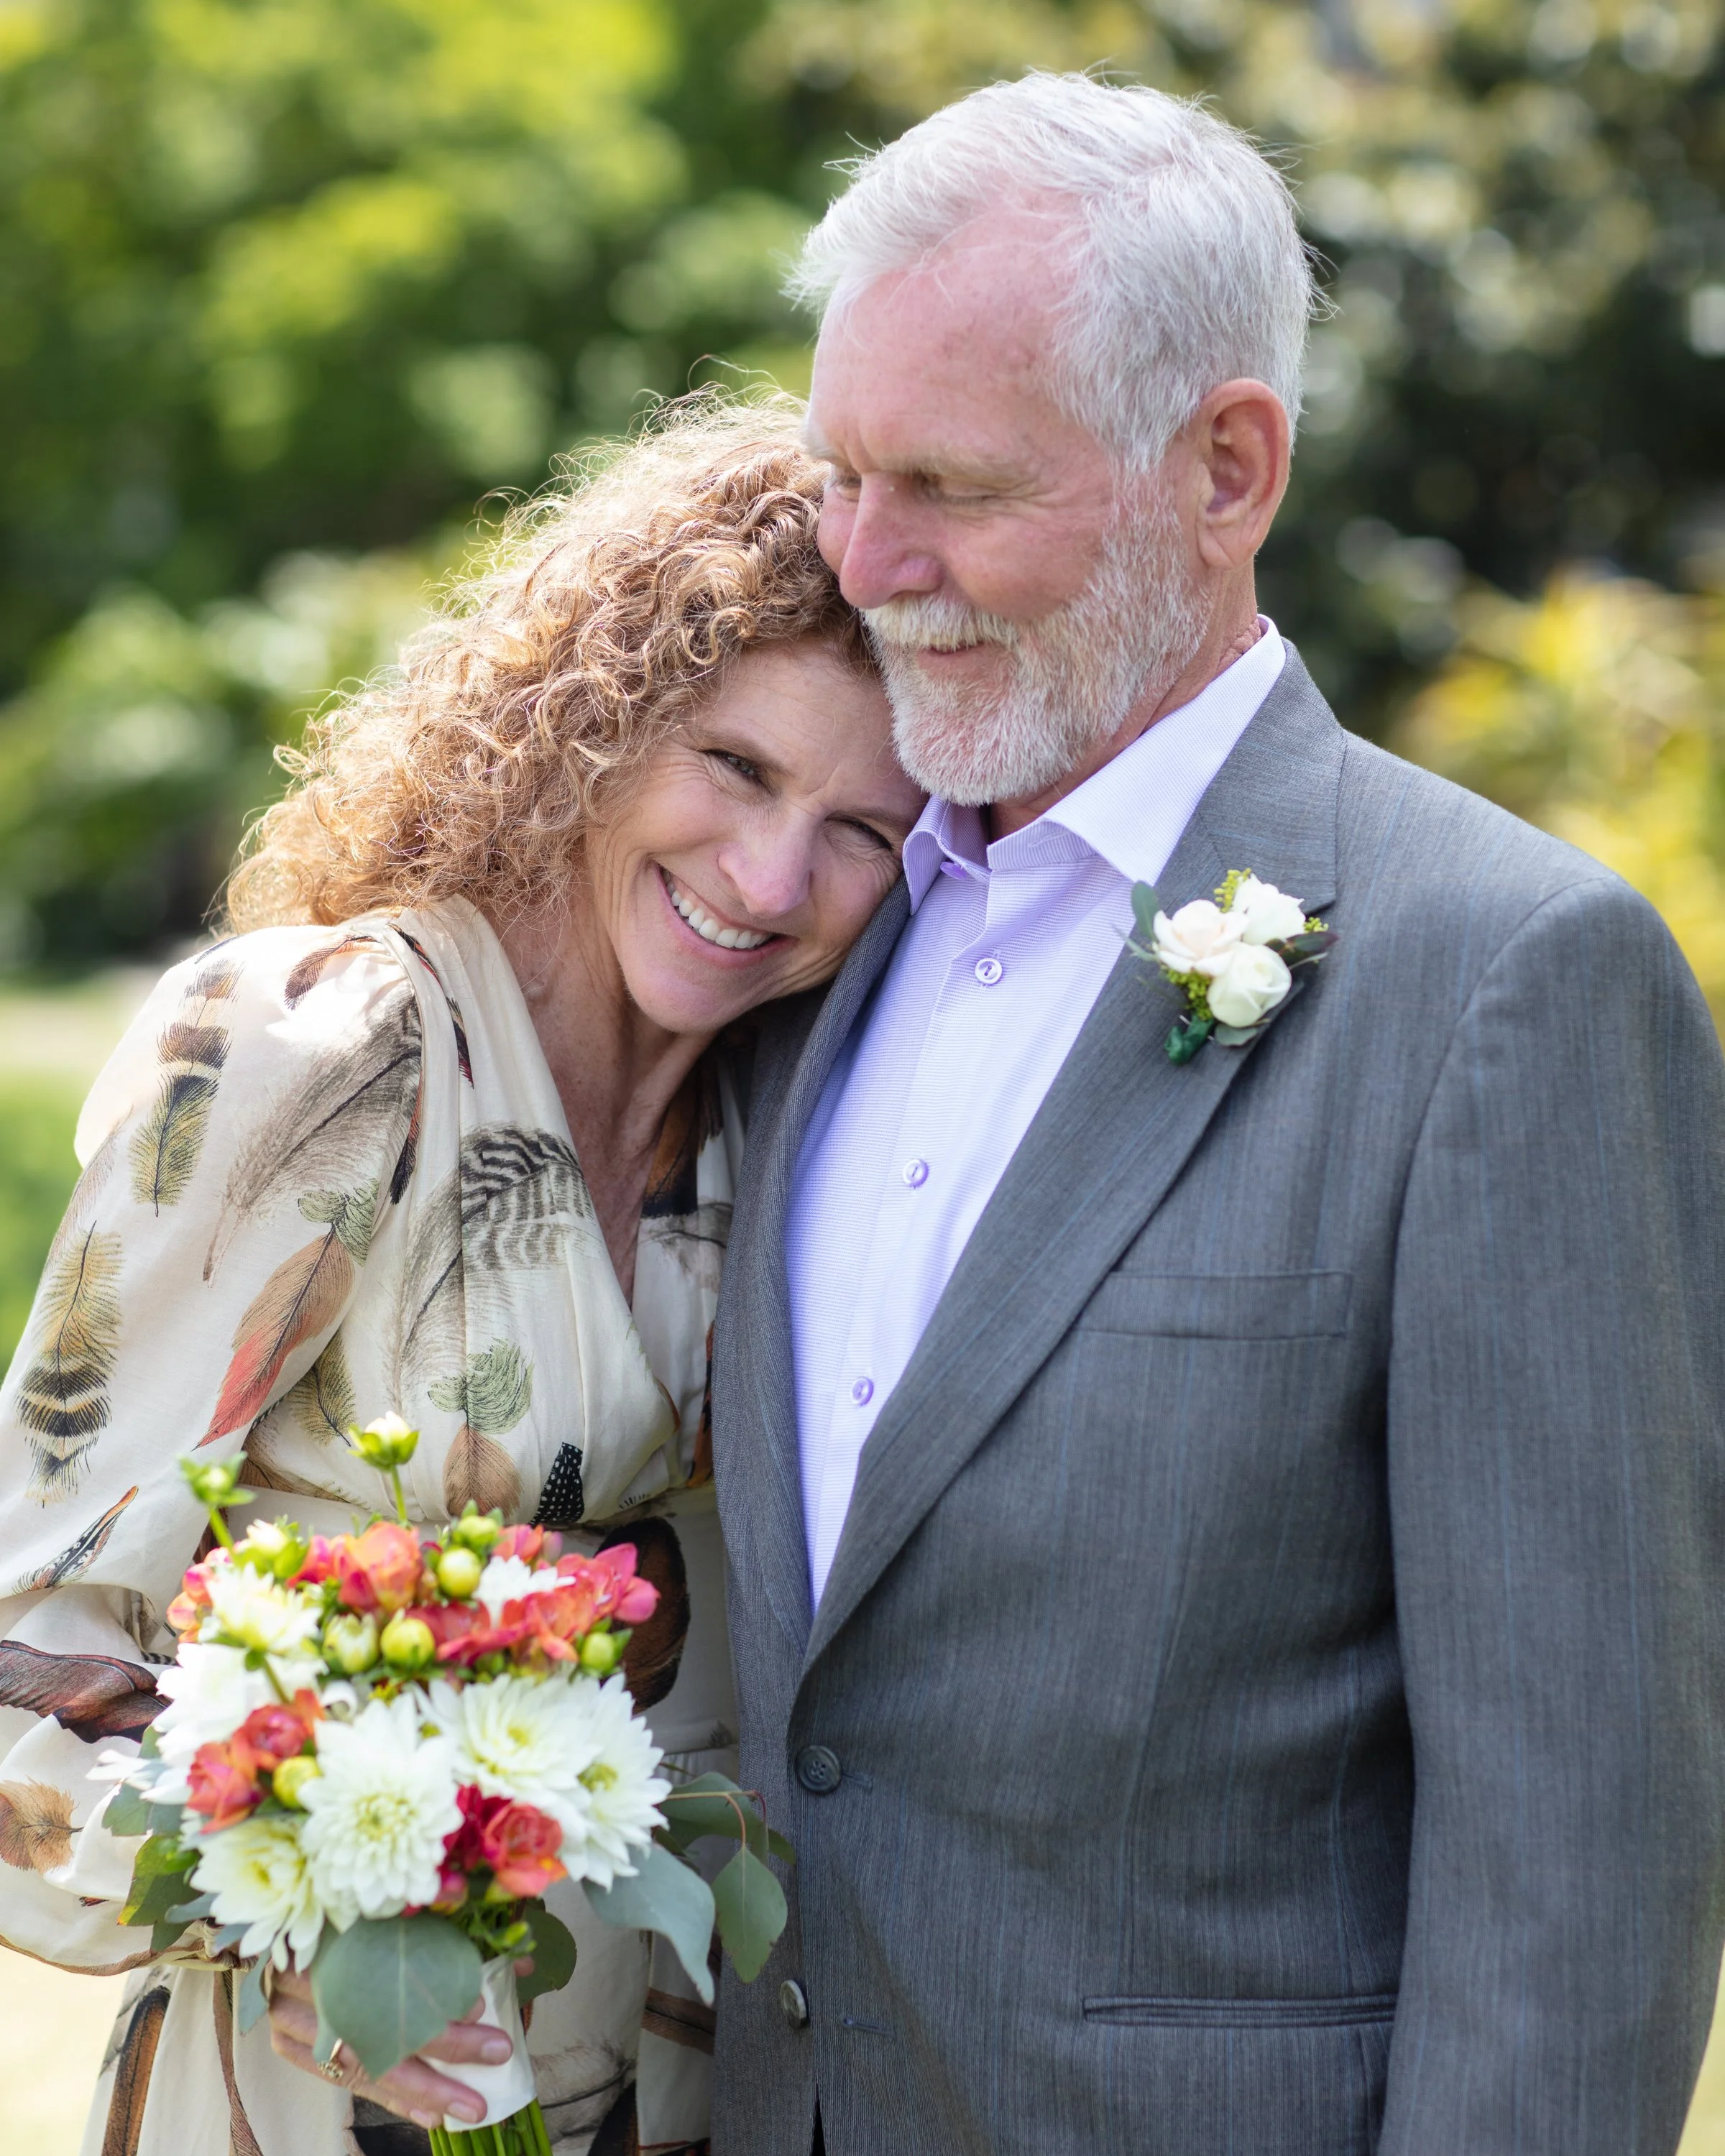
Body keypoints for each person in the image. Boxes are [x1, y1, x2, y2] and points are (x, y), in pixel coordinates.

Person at [709, 73, 1725, 2156]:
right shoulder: (802, 935)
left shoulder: (1509, 981)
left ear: (1228, 466)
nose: (867, 564)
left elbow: (1581, 1856)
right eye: (838, 477)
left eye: (954, 487)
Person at [0, 400, 923, 2156]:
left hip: (694, 2087)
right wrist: (293, 1902)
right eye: (733, 765)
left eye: (866, 829)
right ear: (592, 719)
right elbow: (22, 1636)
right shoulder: (322, 1056)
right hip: (331, 2085)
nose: (771, 876)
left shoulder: (796, 1118)